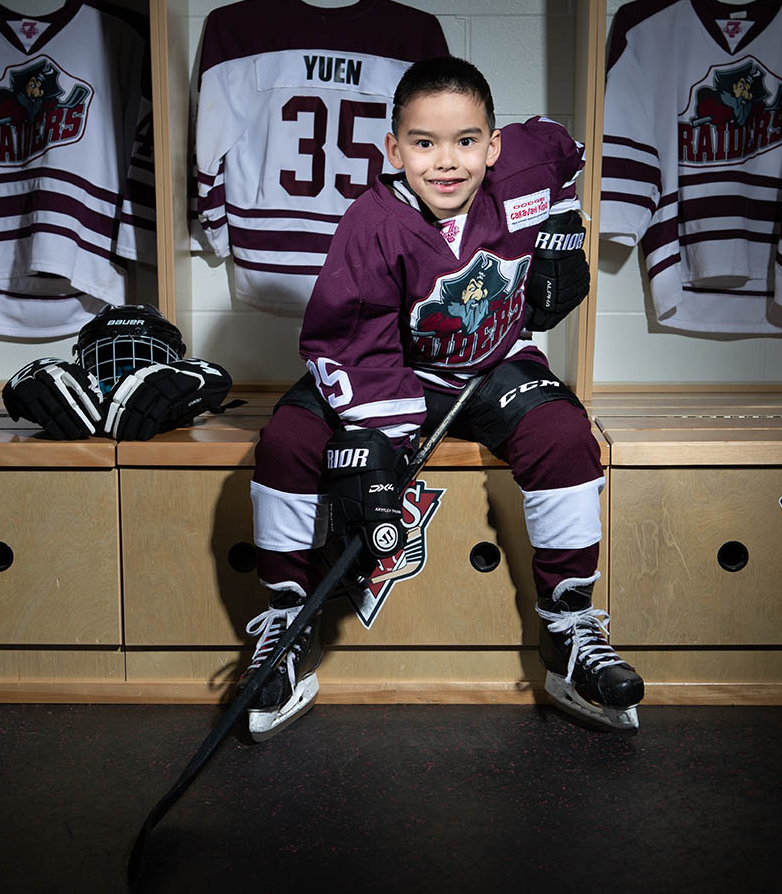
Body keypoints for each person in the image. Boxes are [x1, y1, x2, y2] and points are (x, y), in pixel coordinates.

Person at [240, 56, 645, 737]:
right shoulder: (371, 223)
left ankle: (568, 629)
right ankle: (289, 622)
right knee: (288, 442)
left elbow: (562, 149)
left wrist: (567, 223)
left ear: (492, 143)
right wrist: (376, 444)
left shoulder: (521, 169)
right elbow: (353, 342)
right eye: (424, 144)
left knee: (565, 437)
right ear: (394, 149)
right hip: (391, 371)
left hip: (492, 365)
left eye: (465, 141)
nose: (446, 162)